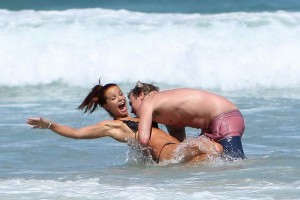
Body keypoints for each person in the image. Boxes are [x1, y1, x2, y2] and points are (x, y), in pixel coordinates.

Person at [26, 80, 223, 164]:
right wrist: (50, 125)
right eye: (113, 98)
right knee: (215, 149)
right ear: (106, 106)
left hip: (177, 151)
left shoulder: (143, 116)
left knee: (209, 161)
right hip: (169, 154)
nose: (120, 99)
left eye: (120, 94)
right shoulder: (115, 126)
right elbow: (77, 134)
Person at [128, 81, 246, 160]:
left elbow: (143, 140)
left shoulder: (148, 101)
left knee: (234, 164)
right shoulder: (168, 111)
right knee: (211, 161)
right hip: (220, 120)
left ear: (141, 95)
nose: (132, 111)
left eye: (131, 103)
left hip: (223, 118)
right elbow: (179, 147)